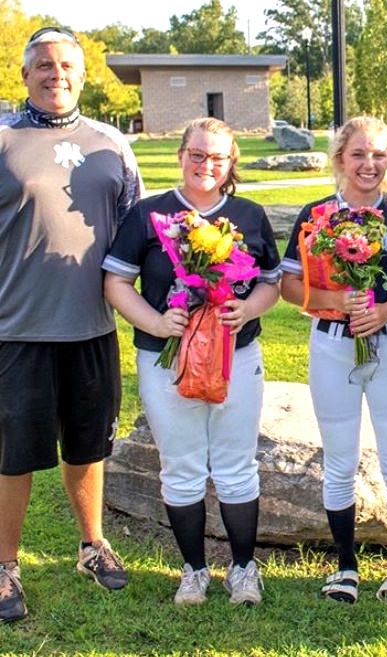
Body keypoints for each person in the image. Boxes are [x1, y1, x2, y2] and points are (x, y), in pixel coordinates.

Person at [103, 118, 280, 606]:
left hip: (235, 356)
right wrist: (157, 322)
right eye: (197, 154)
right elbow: (116, 283)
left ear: (230, 165)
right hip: (167, 358)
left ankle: (244, 570)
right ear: (181, 155)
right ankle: (194, 570)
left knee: (236, 465)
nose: (206, 165)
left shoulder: (248, 213)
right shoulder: (148, 214)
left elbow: (272, 282)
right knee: (180, 467)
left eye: (218, 158)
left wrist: (248, 308)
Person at [0, 26, 143, 623]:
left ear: (83, 76)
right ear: (26, 74)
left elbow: (137, 230)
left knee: (88, 446)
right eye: (44, 65)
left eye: (67, 66)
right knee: (13, 454)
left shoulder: (111, 144)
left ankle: (92, 545)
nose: (56, 74)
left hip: (91, 327)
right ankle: (5, 566)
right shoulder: (4, 139)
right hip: (16, 329)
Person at [280, 116, 387, 604]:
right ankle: (346, 566)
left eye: (380, 154)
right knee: (339, 460)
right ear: (340, 157)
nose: (369, 164)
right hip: (332, 343)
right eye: (359, 153)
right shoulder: (316, 212)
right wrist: (337, 302)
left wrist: (384, 310)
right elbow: (288, 285)